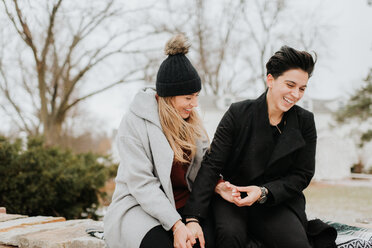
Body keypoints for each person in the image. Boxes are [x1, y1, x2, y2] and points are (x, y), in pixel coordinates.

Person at [183, 46, 337, 247]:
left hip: (275, 201)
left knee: (296, 244)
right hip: (233, 198)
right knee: (230, 237)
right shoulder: (238, 113)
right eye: (290, 85)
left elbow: (302, 174)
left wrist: (264, 192)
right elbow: (212, 164)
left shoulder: (305, 121)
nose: (296, 94)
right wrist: (193, 217)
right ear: (271, 80)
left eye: (302, 88)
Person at [104, 34, 219, 248]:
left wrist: (217, 188)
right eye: (188, 97)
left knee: (207, 242)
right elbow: (142, 183)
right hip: (140, 205)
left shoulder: (191, 120)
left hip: (186, 205)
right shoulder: (134, 123)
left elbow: (207, 166)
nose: (194, 104)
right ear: (168, 96)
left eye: (196, 96)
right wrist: (176, 225)